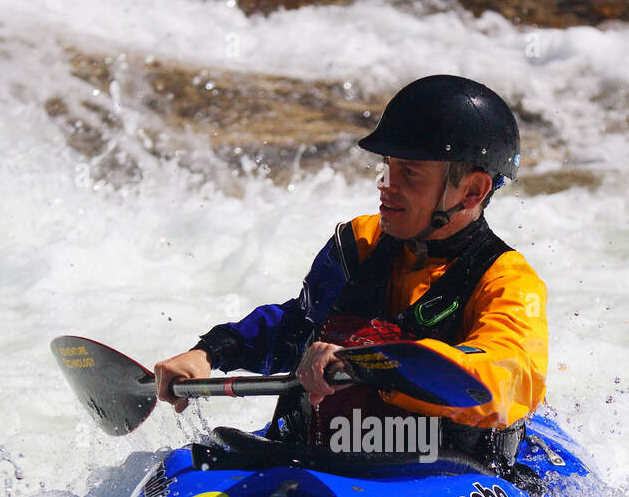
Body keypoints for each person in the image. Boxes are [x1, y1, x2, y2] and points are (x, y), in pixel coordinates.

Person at [154, 74, 548, 469]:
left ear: (472, 191)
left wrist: (370, 363)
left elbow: (507, 375)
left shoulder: (506, 280)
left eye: (409, 173)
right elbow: (297, 326)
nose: (385, 185)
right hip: (324, 456)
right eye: (386, 167)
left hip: (439, 472)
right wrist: (210, 352)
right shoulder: (359, 242)